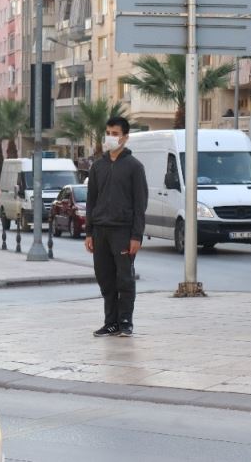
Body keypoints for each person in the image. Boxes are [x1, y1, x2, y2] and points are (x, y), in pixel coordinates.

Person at [85, 116, 148, 337]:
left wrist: (136, 236)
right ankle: (110, 322)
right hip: (100, 231)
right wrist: (89, 232)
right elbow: (91, 200)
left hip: (123, 231)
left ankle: (125, 322)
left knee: (124, 278)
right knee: (105, 278)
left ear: (125, 137)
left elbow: (140, 205)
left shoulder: (134, 167)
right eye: (108, 133)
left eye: (115, 134)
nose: (111, 137)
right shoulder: (98, 166)